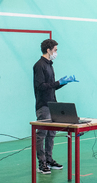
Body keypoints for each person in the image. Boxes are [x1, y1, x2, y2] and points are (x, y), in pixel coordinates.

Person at [33, 39, 78, 174]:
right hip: (43, 105)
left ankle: (49, 159)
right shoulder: (39, 65)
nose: (56, 52)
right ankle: (42, 163)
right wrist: (58, 82)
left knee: (51, 133)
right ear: (48, 50)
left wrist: (63, 83)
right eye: (55, 50)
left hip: (53, 104)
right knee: (42, 133)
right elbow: (41, 86)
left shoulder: (50, 65)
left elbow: (51, 88)